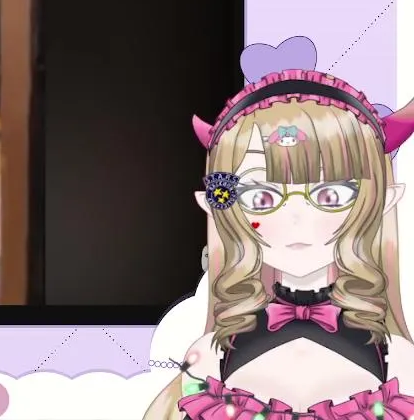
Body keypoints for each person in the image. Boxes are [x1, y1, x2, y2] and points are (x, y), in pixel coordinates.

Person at [144, 37, 414, 419]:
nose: (296, 217)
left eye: (330, 194)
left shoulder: (398, 361)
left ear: (383, 199)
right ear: (220, 205)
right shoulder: (208, 357)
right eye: (261, 197)